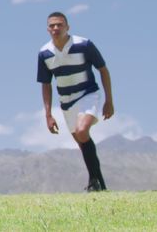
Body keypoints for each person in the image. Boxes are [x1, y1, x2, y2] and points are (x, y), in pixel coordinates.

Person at [37, 11, 114, 192]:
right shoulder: (44, 54)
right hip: (66, 102)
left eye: (59, 24)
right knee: (82, 142)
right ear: (47, 29)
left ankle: (94, 182)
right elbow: (46, 85)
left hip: (88, 94)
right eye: (52, 25)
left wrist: (109, 100)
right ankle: (99, 186)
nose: (56, 28)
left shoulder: (84, 44)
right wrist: (48, 115)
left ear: (67, 27)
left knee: (81, 131)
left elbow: (103, 70)